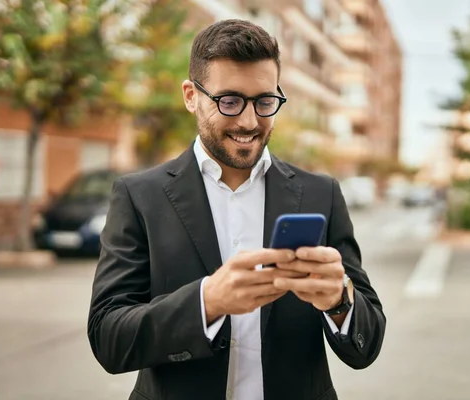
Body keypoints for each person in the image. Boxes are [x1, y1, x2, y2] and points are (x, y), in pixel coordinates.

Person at [87, 19, 386, 400]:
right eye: (229, 101)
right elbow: (108, 338)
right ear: (191, 96)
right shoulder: (138, 195)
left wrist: (339, 302)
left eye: (264, 101)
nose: (249, 121)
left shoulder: (320, 194)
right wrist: (207, 302)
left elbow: (367, 345)